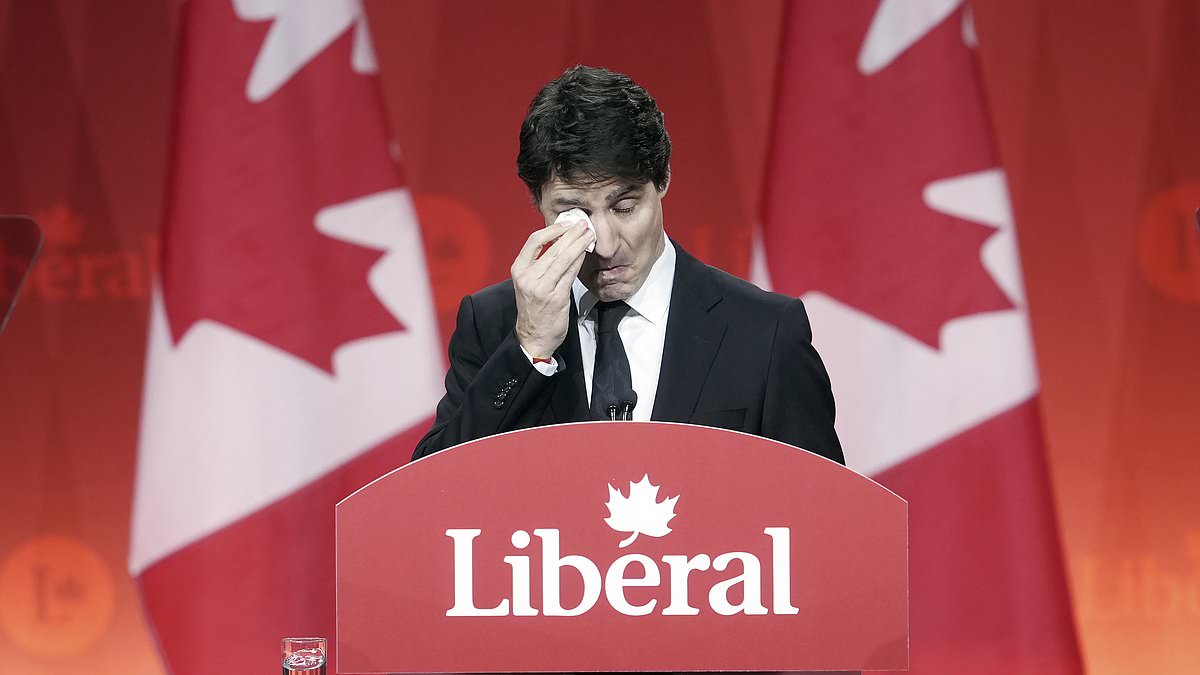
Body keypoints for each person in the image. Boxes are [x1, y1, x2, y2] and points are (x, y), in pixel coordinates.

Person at [412, 65, 843, 464]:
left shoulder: (764, 332)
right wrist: (529, 349)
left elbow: (826, 514)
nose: (604, 244)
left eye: (624, 206)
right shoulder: (493, 324)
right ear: (537, 203)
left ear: (663, 180)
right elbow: (429, 495)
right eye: (574, 214)